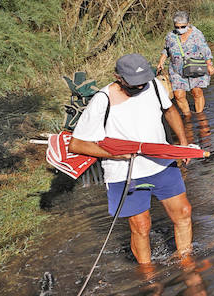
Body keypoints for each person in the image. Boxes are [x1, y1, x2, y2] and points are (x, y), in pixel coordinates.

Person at [68, 54, 195, 266]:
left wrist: (182, 144)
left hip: (161, 162)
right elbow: (77, 144)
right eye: (133, 83)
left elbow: (170, 110)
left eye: (142, 82)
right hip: (124, 172)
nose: (139, 87)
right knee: (141, 226)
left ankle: (187, 262)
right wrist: (114, 154)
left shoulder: (153, 85)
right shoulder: (103, 100)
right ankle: (148, 276)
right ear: (118, 77)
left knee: (183, 213)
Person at [160, 11, 214, 118]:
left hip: (195, 67)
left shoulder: (196, 34)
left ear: (188, 23)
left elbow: (205, 49)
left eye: (183, 26)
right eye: (177, 27)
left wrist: (209, 64)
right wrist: (161, 61)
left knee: (196, 92)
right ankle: (187, 116)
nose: (180, 29)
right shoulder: (171, 36)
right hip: (177, 70)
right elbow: (166, 49)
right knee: (178, 95)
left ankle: (200, 116)